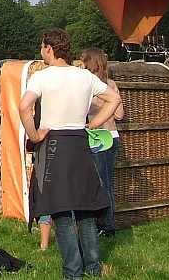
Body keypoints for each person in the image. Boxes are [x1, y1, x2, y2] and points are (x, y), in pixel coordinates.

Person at [19, 28, 121, 279]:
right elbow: (114, 100)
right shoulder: (84, 76)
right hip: (80, 143)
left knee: (61, 211)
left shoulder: (42, 77)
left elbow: (24, 106)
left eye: (42, 47)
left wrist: (34, 136)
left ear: (49, 48)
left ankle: (73, 271)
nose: (41, 52)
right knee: (85, 208)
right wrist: (94, 124)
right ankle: (93, 269)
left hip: (55, 145)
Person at [81, 47, 125, 237]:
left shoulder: (89, 86)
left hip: (97, 138)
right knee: (107, 182)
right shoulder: (111, 84)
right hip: (113, 136)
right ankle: (106, 223)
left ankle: (107, 225)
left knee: (100, 184)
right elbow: (119, 114)